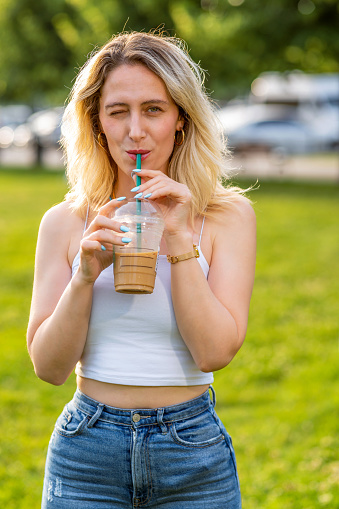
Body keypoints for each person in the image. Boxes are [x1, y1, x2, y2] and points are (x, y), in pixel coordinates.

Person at [27, 30, 256, 508]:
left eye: (153, 109)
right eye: (118, 111)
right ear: (96, 123)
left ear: (180, 119)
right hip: (85, 452)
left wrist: (176, 236)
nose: (136, 130)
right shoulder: (66, 223)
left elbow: (214, 352)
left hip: (191, 450)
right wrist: (84, 276)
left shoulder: (225, 216)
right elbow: (48, 367)